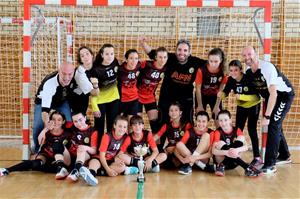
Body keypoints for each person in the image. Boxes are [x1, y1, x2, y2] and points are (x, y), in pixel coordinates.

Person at [242, 46, 294, 174]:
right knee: (276, 126)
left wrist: (267, 116)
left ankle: (270, 164)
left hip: (283, 96)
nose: (247, 57)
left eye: (249, 54)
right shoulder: (249, 71)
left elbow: (274, 94)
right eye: (244, 55)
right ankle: (285, 155)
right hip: (270, 98)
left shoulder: (267, 68)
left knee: (273, 126)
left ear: (256, 53)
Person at [139, 37, 206, 124]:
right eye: (179, 50)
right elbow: (152, 53)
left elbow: (211, 65)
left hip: (185, 97)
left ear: (189, 52)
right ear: (176, 50)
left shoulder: (195, 62)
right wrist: (143, 44)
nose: (182, 53)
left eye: (185, 50)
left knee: (187, 123)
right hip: (167, 96)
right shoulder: (169, 58)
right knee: (162, 122)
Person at [0, 111, 71, 180]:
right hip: (47, 156)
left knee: (57, 144)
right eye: (53, 120)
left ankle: (60, 168)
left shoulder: (67, 134)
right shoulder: (46, 132)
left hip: (62, 158)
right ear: (50, 121)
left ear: (63, 121)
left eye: (59, 120)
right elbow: (40, 141)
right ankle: (7, 170)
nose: (56, 122)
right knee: (36, 164)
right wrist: (46, 128)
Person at [218, 60, 262, 166]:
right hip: (241, 106)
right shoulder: (230, 80)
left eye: (236, 70)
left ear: (241, 70)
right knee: (238, 130)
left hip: (253, 105)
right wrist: (221, 94)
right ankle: (235, 154)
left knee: (252, 129)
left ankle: (257, 157)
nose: (233, 72)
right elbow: (226, 92)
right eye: (231, 70)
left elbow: (257, 97)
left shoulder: (248, 78)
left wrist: (241, 96)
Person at [32, 62, 75, 152]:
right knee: (38, 125)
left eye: (70, 74)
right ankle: (37, 149)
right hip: (42, 102)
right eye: (63, 74)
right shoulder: (49, 83)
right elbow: (45, 111)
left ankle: (68, 147)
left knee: (69, 122)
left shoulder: (75, 79)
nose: (67, 78)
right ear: (59, 71)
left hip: (61, 102)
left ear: (73, 72)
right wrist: (46, 127)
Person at [212, 110, 262, 177]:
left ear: (230, 120)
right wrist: (226, 152)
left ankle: (222, 165)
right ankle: (246, 167)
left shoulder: (237, 130)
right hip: (221, 160)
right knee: (219, 143)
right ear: (218, 121)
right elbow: (213, 151)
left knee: (241, 137)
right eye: (221, 120)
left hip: (234, 162)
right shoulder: (217, 132)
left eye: (225, 120)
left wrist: (236, 150)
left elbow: (246, 147)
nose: (223, 123)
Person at [87, 44, 120, 145]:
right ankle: (97, 149)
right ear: (102, 55)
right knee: (99, 127)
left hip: (114, 99)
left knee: (112, 126)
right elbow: (92, 91)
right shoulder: (96, 70)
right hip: (100, 101)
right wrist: (94, 107)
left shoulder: (115, 62)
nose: (110, 56)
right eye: (107, 54)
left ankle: (109, 148)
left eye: (112, 53)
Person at [137, 47, 168, 133]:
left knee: (155, 124)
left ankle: (157, 146)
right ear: (155, 57)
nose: (162, 60)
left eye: (165, 57)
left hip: (150, 97)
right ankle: (137, 144)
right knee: (137, 122)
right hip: (137, 96)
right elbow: (133, 68)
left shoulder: (166, 69)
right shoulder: (146, 64)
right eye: (160, 57)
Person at [195, 47, 228, 125]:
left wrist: (217, 106)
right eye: (211, 61)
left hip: (215, 96)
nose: (213, 64)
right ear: (208, 60)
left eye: (216, 61)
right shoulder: (201, 70)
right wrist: (199, 105)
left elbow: (221, 90)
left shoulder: (224, 71)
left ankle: (219, 136)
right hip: (202, 96)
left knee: (218, 117)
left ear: (221, 60)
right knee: (201, 119)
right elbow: (198, 89)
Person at [67, 112, 98, 186]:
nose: (78, 123)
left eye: (80, 120)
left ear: (85, 117)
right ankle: (79, 170)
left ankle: (76, 171)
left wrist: (86, 147)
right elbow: (57, 124)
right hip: (72, 157)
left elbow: (94, 151)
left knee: (81, 149)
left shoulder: (93, 131)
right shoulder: (72, 128)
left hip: (85, 156)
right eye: (75, 121)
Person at [70, 46, 100, 115]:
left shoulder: (95, 67)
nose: (86, 57)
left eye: (87, 54)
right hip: (76, 99)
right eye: (82, 56)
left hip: (85, 97)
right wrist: (95, 84)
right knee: (78, 119)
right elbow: (94, 93)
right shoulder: (80, 73)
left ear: (92, 55)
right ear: (81, 60)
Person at [118, 49, 141, 119]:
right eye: (131, 58)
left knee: (131, 123)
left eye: (136, 58)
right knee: (121, 124)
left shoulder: (139, 66)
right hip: (121, 100)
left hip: (134, 99)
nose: (134, 61)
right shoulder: (120, 69)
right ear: (126, 59)